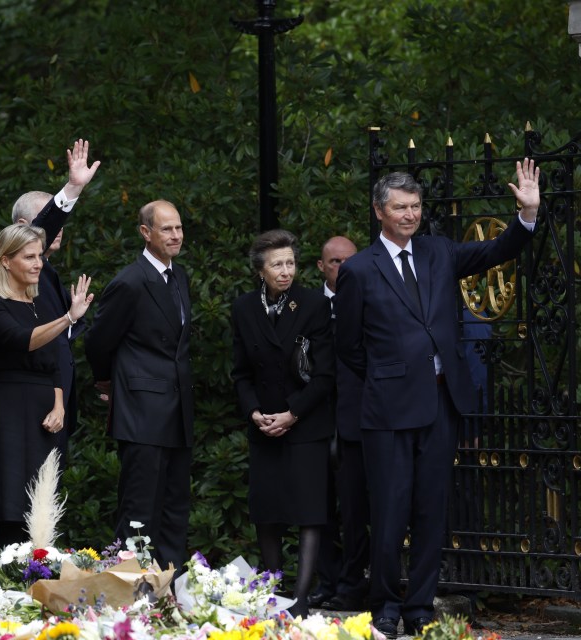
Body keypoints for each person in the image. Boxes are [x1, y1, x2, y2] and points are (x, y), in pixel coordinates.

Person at [334, 159, 539, 638]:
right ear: (379, 211)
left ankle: (419, 607)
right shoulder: (360, 269)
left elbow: (497, 250)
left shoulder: (439, 251)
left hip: (441, 405)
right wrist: (392, 377)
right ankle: (385, 605)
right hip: (386, 411)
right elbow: (347, 347)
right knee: (388, 511)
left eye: (416, 206)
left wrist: (526, 215)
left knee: (431, 510)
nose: (410, 215)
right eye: (401, 207)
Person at [230, 229, 336, 619]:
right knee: (268, 512)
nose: (286, 270)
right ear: (261, 269)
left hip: (305, 424)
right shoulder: (243, 308)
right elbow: (240, 372)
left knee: (309, 512)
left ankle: (303, 599)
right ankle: (275, 591)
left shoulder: (312, 305)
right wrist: (254, 411)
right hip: (264, 426)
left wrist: (293, 413)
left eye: (290, 262)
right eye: (277, 264)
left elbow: (326, 374)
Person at [84, 200, 193, 573]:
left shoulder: (179, 277)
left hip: (177, 409)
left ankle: (169, 582)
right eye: (167, 229)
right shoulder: (130, 281)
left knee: (175, 504)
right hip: (143, 410)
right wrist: (108, 381)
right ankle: (129, 589)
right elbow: (98, 341)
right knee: (139, 507)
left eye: (178, 228)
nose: (176, 235)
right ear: (146, 233)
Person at [0, 224, 94, 548]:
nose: (38, 264)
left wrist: (60, 406)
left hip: (45, 414)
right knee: (14, 507)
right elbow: (22, 340)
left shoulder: (39, 303)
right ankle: (7, 591)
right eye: (29, 257)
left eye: (39, 256)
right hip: (10, 411)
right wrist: (68, 318)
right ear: (5, 260)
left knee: (42, 508)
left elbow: (55, 361)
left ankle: (39, 586)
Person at [11, 139, 100, 463]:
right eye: (50, 222)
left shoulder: (46, 271)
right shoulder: (15, 269)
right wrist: (72, 189)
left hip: (55, 402)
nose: (59, 230)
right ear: (23, 228)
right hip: (34, 401)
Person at [317, 236, 370, 612]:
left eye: (349, 261)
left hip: (358, 420)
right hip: (314, 420)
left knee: (354, 509)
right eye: (335, 261)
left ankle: (353, 584)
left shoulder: (370, 299)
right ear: (321, 266)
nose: (342, 267)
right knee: (318, 510)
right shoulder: (305, 305)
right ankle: (326, 581)